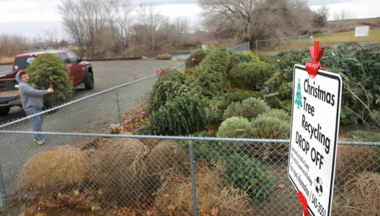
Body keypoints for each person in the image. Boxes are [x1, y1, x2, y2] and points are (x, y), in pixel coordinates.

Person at [16, 71, 54, 145]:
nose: (27, 78)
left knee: (39, 122)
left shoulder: (27, 84)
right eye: (24, 77)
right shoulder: (22, 85)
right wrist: (47, 91)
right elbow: (33, 92)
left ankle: (36, 136)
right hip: (30, 107)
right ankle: (39, 139)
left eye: (27, 76)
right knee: (36, 123)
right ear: (20, 79)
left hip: (37, 106)